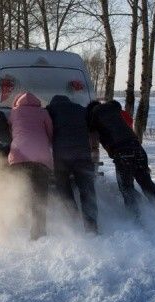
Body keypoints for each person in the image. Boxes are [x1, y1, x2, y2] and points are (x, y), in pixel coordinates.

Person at [88, 100, 155, 217]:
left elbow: (92, 142)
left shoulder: (93, 118)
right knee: (145, 181)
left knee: (126, 187)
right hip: (138, 148)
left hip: (123, 152)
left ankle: (136, 218)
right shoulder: (114, 110)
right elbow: (119, 109)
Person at [46, 95, 98, 234]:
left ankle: (73, 219)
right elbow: (92, 128)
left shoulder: (50, 110)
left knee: (63, 187)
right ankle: (92, 227)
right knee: (87, 190)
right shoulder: (81, 109)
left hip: (62, 156)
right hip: (82, 155)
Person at [8, 92, 53, 240]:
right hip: (41, 158)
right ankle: (38, 232)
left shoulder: (14, 113)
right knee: (40, 196)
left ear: (17, 102)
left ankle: (19, 227)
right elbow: (50, 133)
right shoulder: (43, 112)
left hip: (18, 158)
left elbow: (10, 131)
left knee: (20, 192)